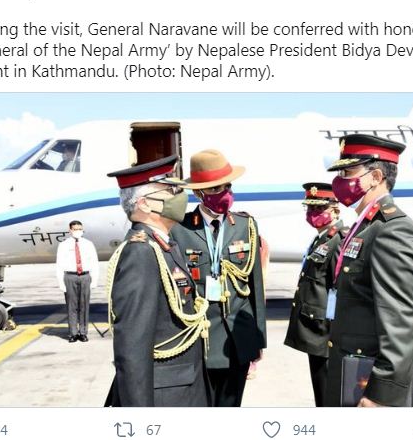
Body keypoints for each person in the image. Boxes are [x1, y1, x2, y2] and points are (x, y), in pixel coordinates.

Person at [324, 134, 413, 407]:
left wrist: (381, 394)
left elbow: (400, 321)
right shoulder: (366, 226)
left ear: (376, 177)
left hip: (372, 382)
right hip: (353, 368)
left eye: (348, 173)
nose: (340, 181)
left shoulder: (393, 230)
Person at [104, 155, 211, 407]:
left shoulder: (164, 244)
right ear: (144, 204)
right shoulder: (141, 252)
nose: (179, 196)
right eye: (170, 191)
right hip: (165, 397)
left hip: (183, 387)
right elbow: (132, 345)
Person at [170, 149, 267, 407]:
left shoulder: (245, 225)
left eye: (227, 186)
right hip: (201, 340)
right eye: (215, 189)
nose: (224, 193)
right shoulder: (180, 229)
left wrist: (258, 339)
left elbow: (255, 286)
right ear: (199, 193)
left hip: (238, 340)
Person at [283, 182, 345, 406]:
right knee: (321, 392)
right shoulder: (322, 238)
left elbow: (340, 288)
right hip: (316, 331)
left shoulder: (338, 240)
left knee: (327, 395)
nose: (313, 213)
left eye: (319, 208)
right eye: (310, 208)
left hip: (326, 333)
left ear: (335, 209)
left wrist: (334, 332)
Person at [55, 220, 99, 342]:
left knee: (84, 306)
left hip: (85, 276)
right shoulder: (63, 245)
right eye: (75, 229)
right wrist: (61, 283)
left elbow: (94, 262)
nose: (78, 231)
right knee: (71, 306)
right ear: (70, 230)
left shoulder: (88, 244)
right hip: (70, 276)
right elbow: (59, 264)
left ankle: (83, 332)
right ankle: (73, 333)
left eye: (80, 229)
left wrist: (94, 279)